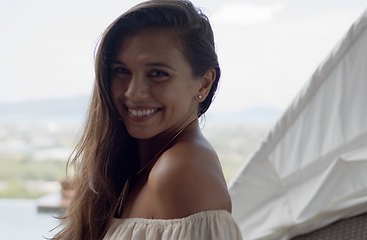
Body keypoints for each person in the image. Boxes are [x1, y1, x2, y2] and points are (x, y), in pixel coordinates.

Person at [55, 0, 243, 239]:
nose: (133, 92)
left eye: (158, 74)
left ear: (203, 83)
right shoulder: (138, 165)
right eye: (121, 71)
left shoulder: (180, 170)